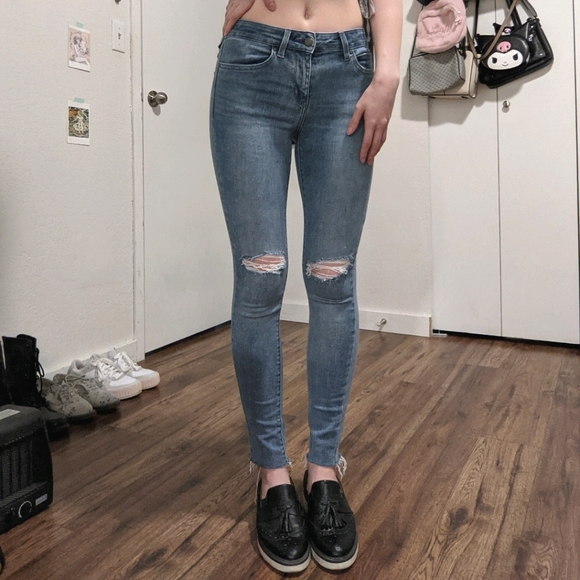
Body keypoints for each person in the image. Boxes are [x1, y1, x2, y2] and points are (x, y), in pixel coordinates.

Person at [211, 0, 402, 573]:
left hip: (348, 66)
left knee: (332, 277)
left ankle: (323, 468)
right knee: (259, 277)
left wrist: (387, 71)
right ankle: (271, 473)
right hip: (252, 65)